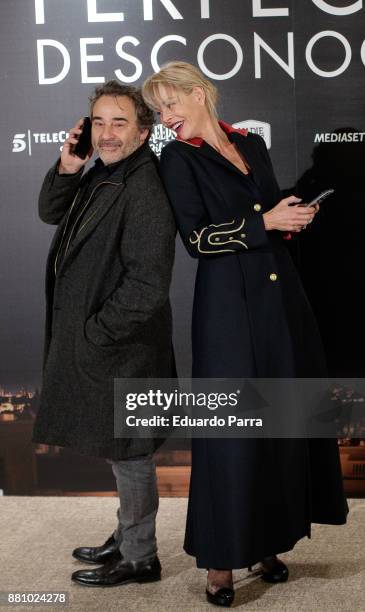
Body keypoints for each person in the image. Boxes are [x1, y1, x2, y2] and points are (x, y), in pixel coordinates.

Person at [142, 62, 349, 607]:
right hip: (227, 310)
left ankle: (268, 541)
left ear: (198, 93)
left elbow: (265, 208)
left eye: (170, 104)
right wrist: (266, 224)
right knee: (231, 432)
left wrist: (291, 215)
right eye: (159, 110)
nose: (165, 118)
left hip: (280, 300)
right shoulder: (177, 157)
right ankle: (219, 560)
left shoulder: (251, 143)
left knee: (280, 422)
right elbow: (197, 239)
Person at [32, 81, 176, 587]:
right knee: (121, 451)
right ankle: (126, 536)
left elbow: (147, 286)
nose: (107, 133)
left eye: (119, 122)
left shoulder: (144, 187)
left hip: (125, 349)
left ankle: (141, 557)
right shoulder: (102, 173)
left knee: (132, 452)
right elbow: (51, 212)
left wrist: (96, 334)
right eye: (98, 122)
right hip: (107, 348)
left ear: (143, 130)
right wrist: (69, 165)